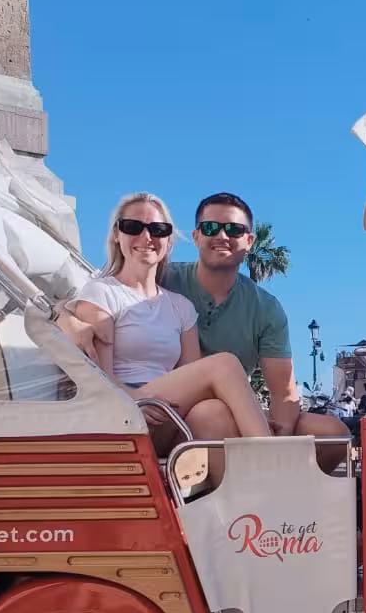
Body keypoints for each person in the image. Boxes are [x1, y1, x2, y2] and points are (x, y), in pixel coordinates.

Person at [156, 192, 351, 479]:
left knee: (333, 435)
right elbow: (111, 291)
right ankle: (257, 507)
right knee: (211, 413)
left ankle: (274, 492)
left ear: (249, 241)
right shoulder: (163, 279)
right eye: (211, 228)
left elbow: (283, 391)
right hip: (171, 416)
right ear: (196, 237)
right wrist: (73, 316)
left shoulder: (265, 308)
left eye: (234, 229)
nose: (222, 236)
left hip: (240, 414)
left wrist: (280, 430)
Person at [65, 192, 272, 450]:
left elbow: (192, 376)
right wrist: (135, 397)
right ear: (117, 235)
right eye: (132, 227)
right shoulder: (101, 293)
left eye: (158, 229)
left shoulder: (180, 307)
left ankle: (242, 489)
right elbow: (98, 378)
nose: (146, 237)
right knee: (225, 364)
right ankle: (274, 462)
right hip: (121, 410)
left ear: (169, 240)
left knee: (211, 412)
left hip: (166, 414)